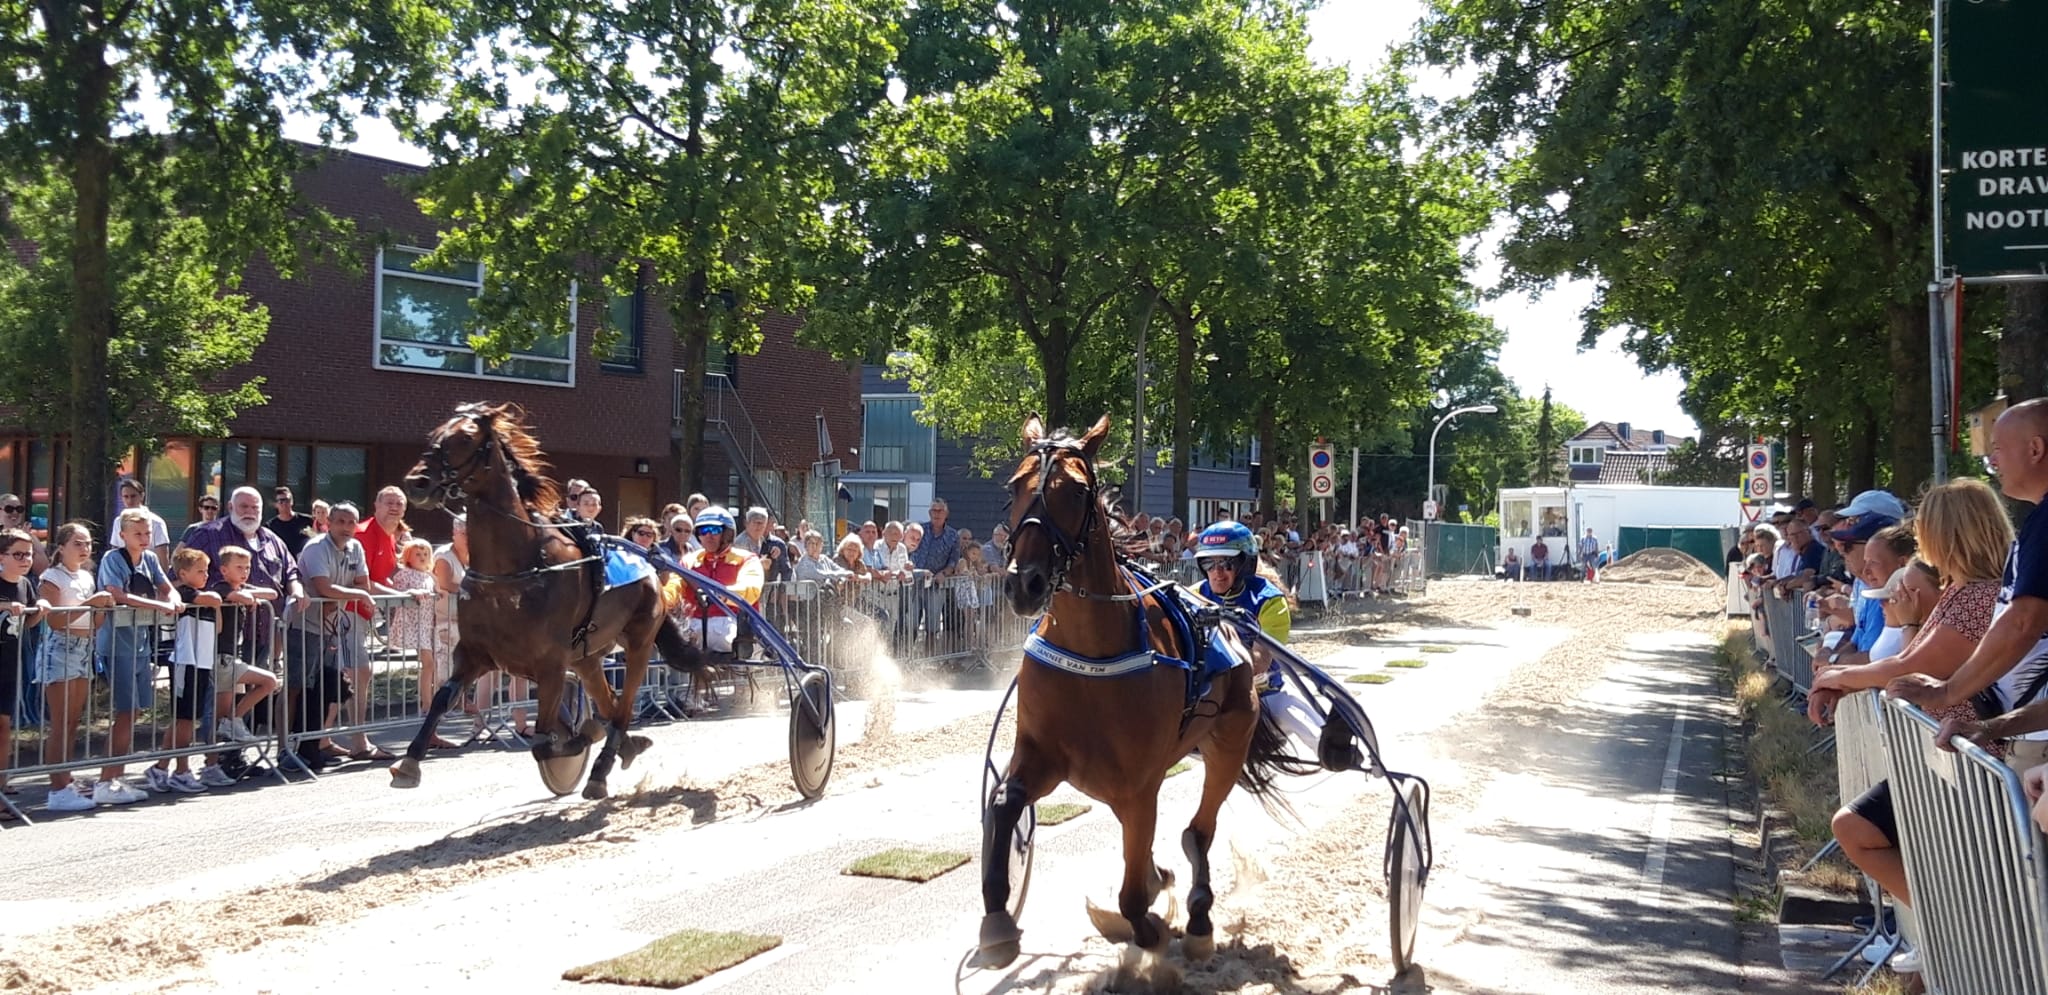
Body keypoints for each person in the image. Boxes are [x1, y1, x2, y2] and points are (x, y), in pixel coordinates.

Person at [1193, 521, 1361, 772]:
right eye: (1209, 563)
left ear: (1244, 564)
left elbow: (1259, 663)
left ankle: (1336, 751)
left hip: (1262, 700)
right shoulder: (1193, 596)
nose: (1217, 572)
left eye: (1226, 563)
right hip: (1206, 702)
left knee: (1289, 708)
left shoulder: (1269, 601)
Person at [98, 507, 180, 797]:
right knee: (125, 710)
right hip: (117, 643)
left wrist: (174, 597)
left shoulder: (149, 559)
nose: (144, 538)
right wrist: (160, 606)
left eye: (147, 533)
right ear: (123, 536)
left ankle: (115, 776)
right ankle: (106, 779)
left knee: (135, 711)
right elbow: (117, 593)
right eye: (138, 534)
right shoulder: (112, 559)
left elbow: (165, 585)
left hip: (141, 644)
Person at [38, 522, 119, 811]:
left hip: (85, 646)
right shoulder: (52, 576)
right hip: (61, 647)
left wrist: (100, 608)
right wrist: (89, 603)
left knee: (73, 721)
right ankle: (56, 787)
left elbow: (95, 623)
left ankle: (66, 779)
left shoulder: (86, 576)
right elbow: (55, 620)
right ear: (61, 547)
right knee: (60, 721)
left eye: (87, 544)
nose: (85, 549)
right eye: (78, 543)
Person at [673, 508, 764, 712]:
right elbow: (674, 585)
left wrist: (722, 594)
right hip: (695, 624)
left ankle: (744, 691)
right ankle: (687, 695)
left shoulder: (746, 559)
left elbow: (751, 587)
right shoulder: (688, 561)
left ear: (727, 533)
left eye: (714, 529)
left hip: (730, 621)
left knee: (746, 640)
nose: (708, 535)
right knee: (673, 639)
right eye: (703, 530)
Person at [150, 548, 222, 794]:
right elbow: (211, 599)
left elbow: (218, 622)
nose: (205, 575)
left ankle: (162, 766)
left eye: (206, 570)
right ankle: (180, 769)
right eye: (200, 571)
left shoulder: (201, 593)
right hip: (185, 660)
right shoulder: (183, 592)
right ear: (183, 573)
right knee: (184, 718)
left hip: (202, 661)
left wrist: (217, 601)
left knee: (188, 717)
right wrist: (216, 598)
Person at [0, 529, 45, 806]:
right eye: (18, 554)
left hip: (9, 662)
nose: (25, 559)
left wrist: (39, 609)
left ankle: (2, 781)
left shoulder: (26, 584)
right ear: (2, 556)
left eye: (29, 554)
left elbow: (27, 623)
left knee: (4, 725)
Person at [266, 487, 317, 558]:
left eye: (287, 500)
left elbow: (318, 538)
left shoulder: (308, 520)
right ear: (276, 504)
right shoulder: (270, 526)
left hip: (306, 562)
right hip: (283, 564)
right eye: (281, 501)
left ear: (292, 501)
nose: (284, 503)